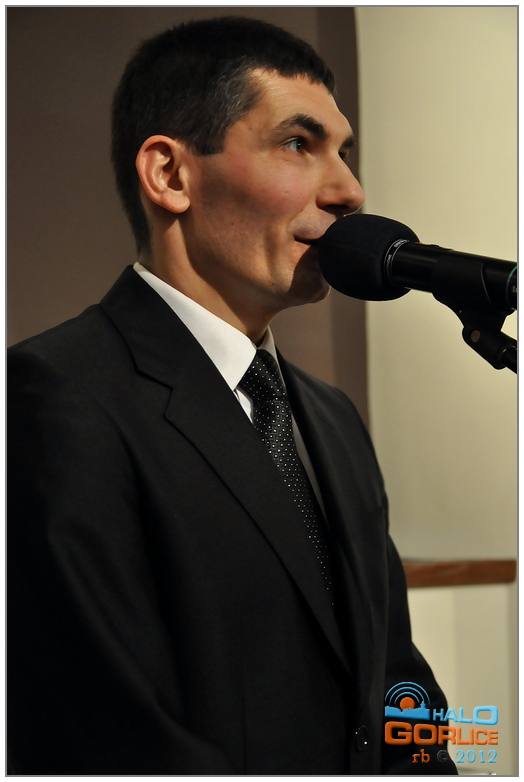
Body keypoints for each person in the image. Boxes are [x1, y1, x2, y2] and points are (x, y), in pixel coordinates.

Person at [8, 17, 456, 775]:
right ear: (170, 175)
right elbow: (106, 730)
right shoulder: (55, 398)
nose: (349, 191)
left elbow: (397, 687)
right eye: (298, 143)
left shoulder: (331, 419)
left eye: (344, 152)